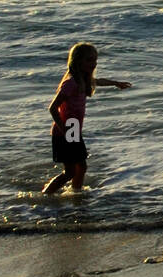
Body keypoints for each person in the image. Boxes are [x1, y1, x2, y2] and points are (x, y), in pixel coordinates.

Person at [43, 42, 131, 195]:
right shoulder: (70, 83)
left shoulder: (82, 79)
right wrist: (64, 129)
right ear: (77, 61)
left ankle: (76, 193)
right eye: (89, 60)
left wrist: (116, 83)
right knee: (70, 171)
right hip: (66, 129)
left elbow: (98, 81)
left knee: (81, 166)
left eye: (95, 60)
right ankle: (46, 195)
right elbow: (52, 108)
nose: (94, 63)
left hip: (73, 128)